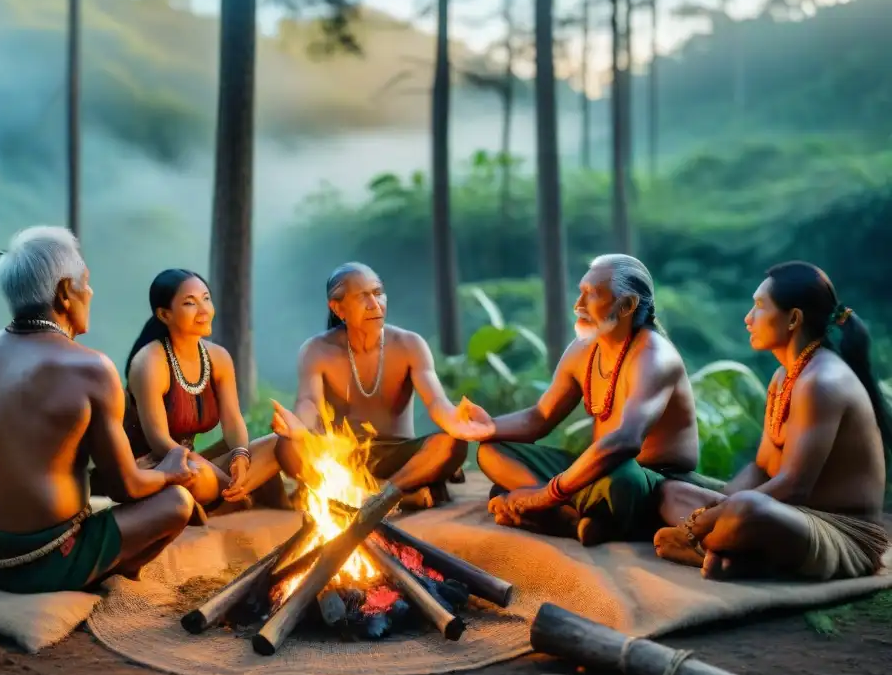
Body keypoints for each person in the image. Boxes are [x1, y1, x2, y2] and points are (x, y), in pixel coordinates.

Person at [0, 227, 198, 595]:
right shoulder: (91, 369)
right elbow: (124, 487)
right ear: (65, 293)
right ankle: (106, 571)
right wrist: (169, 472)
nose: (91, 292)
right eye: (86, 282)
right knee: (178, 503)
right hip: (37, 561)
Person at [654, 262, 890, 581]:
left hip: (842, 534)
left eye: (760, 307)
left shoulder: (823, 381)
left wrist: (701, 523)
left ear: (793, 318)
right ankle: (731, 552)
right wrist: (713, 511)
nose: (748, 318)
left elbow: (794, 487)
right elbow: (761, 468)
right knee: (672, 493)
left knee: (747, 511)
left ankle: (723, 549)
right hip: (787, 516)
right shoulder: (784, 376)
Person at [470, 254, 701, 546]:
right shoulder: (583, 350)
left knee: (619, 476)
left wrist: (544, 494)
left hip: (644, 480)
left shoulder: (654, 356)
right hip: (594, 474)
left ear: (627, 305)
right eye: (580, 292)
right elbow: (540, 418)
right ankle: (575, 518)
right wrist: (484, 427)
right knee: (493, 451)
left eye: (591, 295)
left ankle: (555, 511)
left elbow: (624, 442)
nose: (578, 305)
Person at [235, 262, 492, 510]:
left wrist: (454, 421)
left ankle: (379, 496)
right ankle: (398, 497)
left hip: (398, 458)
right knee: (288, 447)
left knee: (451, 444)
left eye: (378, 293)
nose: (374, 304)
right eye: (362, 297)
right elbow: (309, 402)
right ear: (338, 308)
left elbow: (436, 401)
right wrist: (298, 426)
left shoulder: (410, 344)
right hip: (341, 456)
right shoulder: (317, 350)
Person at [105, 268, 288, 516]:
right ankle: (230, 499)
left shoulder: (219, 357)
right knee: (197, 475)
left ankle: (230, 499)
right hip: (155, 470)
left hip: (194, 461)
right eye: (190, 303)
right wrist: (221, 478)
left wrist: (240, 457)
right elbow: (160, 442)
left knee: (278, 443)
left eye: (206, 298)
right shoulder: (149, 363)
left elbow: (233, 421)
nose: (204, 310)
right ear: (164, 314)